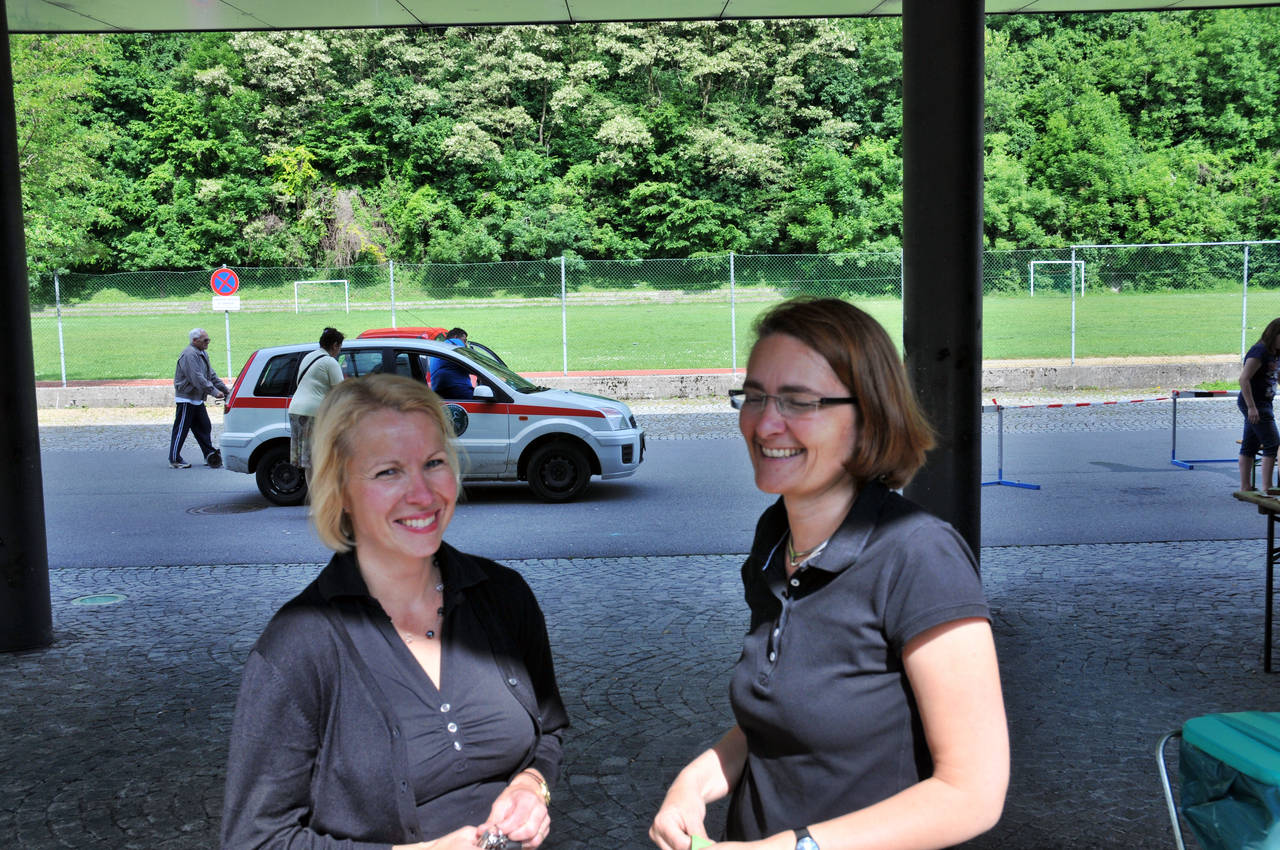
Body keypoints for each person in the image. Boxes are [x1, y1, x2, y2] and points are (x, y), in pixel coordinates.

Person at [650, 298, 1008, 850]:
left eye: (799, 401)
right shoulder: (776, 537)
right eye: (754, 396)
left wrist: (794, 847)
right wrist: (693, 784)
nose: (766, 423)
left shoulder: (919, 555)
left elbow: (972, 793)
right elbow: (780, 723)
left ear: (870, 418)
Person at [222, 374, 567, 850]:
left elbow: (549, 727)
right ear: (340, 490)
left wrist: (532, 784)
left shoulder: (504, 596)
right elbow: (254, 841)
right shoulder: (298, 646)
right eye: (389, 472)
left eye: (434, 463)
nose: (423, 494)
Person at [287, 326, 345, 475]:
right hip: (313, 413)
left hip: (295, 411)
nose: (339, 351)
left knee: (309, 462)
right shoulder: (330, 362)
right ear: (335, 345)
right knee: (319, 460)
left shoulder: (308, 357)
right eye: (340, 347)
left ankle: (313, 491)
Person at [169, 327, 229, 469]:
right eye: (205, 340)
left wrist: (225, 390)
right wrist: (214, 392)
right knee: (181, 429)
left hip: (196, 398)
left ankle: (209, 454)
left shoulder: (202, 353)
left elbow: (211, 375)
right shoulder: (189, 355)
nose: (208, 342)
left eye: (208, 340)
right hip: (186, 398)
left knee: (204, 426)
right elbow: (197, 378)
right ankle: (174, 458)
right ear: (195, 340)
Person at [1238, 317, 1280, 493]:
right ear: (1274, 334)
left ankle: (1246, 487)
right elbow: (1244, 379)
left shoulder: (1276, 352)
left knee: (1250, 444)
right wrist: (1251, 407)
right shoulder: (1259, 351)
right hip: (1255, 404)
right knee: (1273, 444)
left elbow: (1276, 375)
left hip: (1265, 403)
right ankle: (1268, 488)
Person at [429, 328, 476, 400]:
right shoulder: (454, 343)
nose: (465, 344)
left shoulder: (440, 347)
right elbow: (473, 363)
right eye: (464, 340)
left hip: (439, 391)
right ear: (455, 337)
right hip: (458, 390)